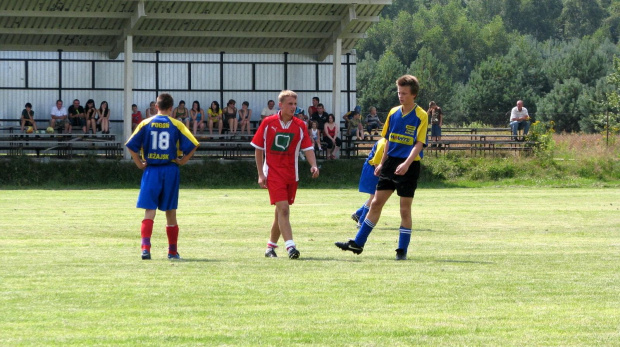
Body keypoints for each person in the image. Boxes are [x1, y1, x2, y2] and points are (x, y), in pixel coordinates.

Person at [335, 74, 428, 261]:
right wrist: (382, 164)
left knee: (404, 209)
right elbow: (387, 140)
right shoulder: (393, 113)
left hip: (409, 165)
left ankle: (402, 250)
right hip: (390, 162)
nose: (400, 96)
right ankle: (358, 243)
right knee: (376, 203)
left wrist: (406, 163)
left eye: (404, 93)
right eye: (399, 92)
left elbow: (419, 143)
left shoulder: (421, 116)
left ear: (414, 95)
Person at [125, 93, 199, 261]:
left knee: (149, 210)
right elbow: (193, 144)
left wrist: (138, 163)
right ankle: (172, 252)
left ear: (156, 106)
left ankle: (145, 249)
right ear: (171, 108)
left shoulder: (145, 123)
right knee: (170, 211)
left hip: (151, 170)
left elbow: (131, 145)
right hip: (170, 170)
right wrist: (183, 160)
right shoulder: (177, 124)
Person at [251, 90, 319, 259]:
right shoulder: (268, 123)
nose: (293, 107)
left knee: (280, 212)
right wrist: (261, 174)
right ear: (280, 105)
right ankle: (291, 247)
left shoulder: (300, 125)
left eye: (295, 104)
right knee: (284, 209)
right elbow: (258, 149)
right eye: (290, 104)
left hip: (291, 174)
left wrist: (314, 165)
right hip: (273, 174)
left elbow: (308, 148)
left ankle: (270, 248)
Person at [351, 138, 387, 227]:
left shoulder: (387, 142)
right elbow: (376, 162)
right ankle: (362, 221)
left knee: (376, 196)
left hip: (375, 168)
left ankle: (358, 214)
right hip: (373, 169)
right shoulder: (383, 143)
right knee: (374, 197)